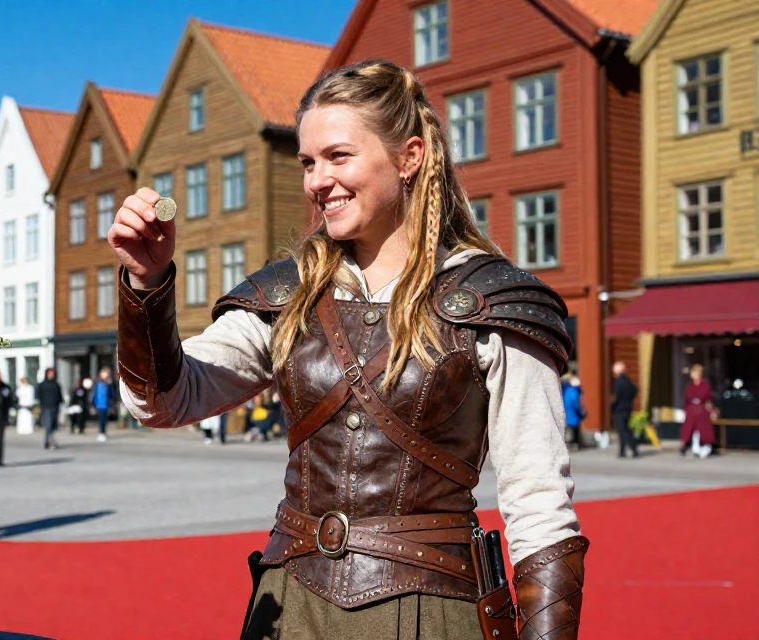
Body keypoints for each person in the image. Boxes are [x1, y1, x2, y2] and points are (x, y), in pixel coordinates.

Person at [110, 59, 587, 639]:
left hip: (428, 607)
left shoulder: (490, 300)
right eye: (308, 163)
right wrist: (146, 284)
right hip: (292, 600)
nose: (316, 180)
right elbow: (162, 402)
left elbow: (538, 503)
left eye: (338, 156)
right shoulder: (288, 294)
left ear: (410, 157)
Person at [680, 363, 716, 459]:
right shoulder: (690, 385)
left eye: (697, 372)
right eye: (694, 372)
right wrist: (685, 409)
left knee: (703, 430)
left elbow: (708, 397)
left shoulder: (705, 384)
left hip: (702, 410)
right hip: (691, 410)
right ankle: (694, 447)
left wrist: (711, 409)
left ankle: (706, 447)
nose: (695, 374)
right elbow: (686, 398)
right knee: (691, 429)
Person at [611, 361, 639, 459]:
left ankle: (633, 448)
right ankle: (622, 451)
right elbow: (635, 390)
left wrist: (613, 407)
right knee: (625, 429)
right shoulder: (628, 381)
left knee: (623, 430)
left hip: (620, 409)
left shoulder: (619, 382)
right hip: (628, 407)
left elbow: (617, 397)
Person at [37, 367, 64, 449]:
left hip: (55, 407)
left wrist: (60, 404)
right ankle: (50, 442)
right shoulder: (42, 385)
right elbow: (39, 395)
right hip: (46, 407)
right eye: (50, 373)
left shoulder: (56, 384)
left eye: (52, 373)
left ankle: (47, 441)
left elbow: (59, 396)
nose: (51, 375)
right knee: (48, 425)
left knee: (53, 426)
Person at [561, 371, 587, 449]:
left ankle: (571, 443)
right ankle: (574, 443)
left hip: (566, 412)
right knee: (574, 430)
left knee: (569, 430)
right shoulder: (574, 391)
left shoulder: (566, 389)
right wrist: (582, 411)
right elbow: (575, 404)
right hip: (573, 414)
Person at [92, 368, 116, 443]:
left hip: (106, 404)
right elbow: (95, 395)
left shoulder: (108, 384)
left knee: (105, 420)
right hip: (100, 404)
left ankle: (104, 432)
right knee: (102, 420)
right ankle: (101, 433)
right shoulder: (98, 384)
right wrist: (94, 403)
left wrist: (112, 401)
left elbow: (111, 394)